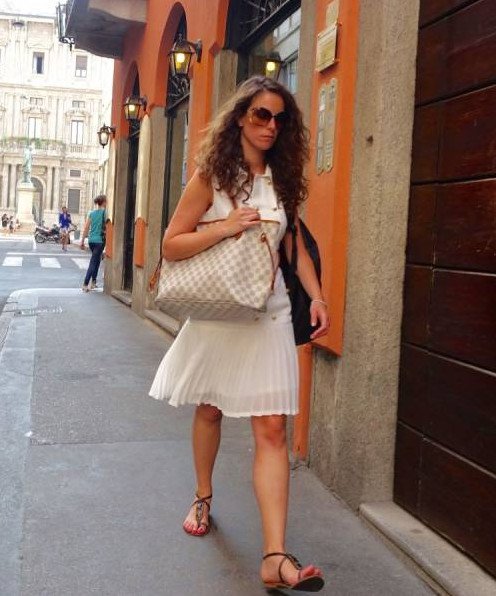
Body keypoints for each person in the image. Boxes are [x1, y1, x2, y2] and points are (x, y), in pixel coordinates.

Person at [150, 76, 329, 592]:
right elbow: (171, 244)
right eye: (261, 115)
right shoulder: (211, 176)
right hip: (219, 313)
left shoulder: (283, 180)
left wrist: (317, 296)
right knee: (210, 409)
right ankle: (202, 495)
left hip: (268, 313)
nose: (271, 126)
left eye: (280, 119)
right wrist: (227, 226)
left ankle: (274, 558)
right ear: (240, 118)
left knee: (272, 429)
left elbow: (294, 247)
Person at [80, 195, 106, 292]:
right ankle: (85, 284)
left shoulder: (91, 213)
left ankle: (94, 282)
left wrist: (82, 241)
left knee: (97, 260)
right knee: (93, 262)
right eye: (106, 201)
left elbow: (86, 227)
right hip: (100, 241)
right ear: (103, 202)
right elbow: (108, 227)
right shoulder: (105, 213)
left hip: (91, 241)